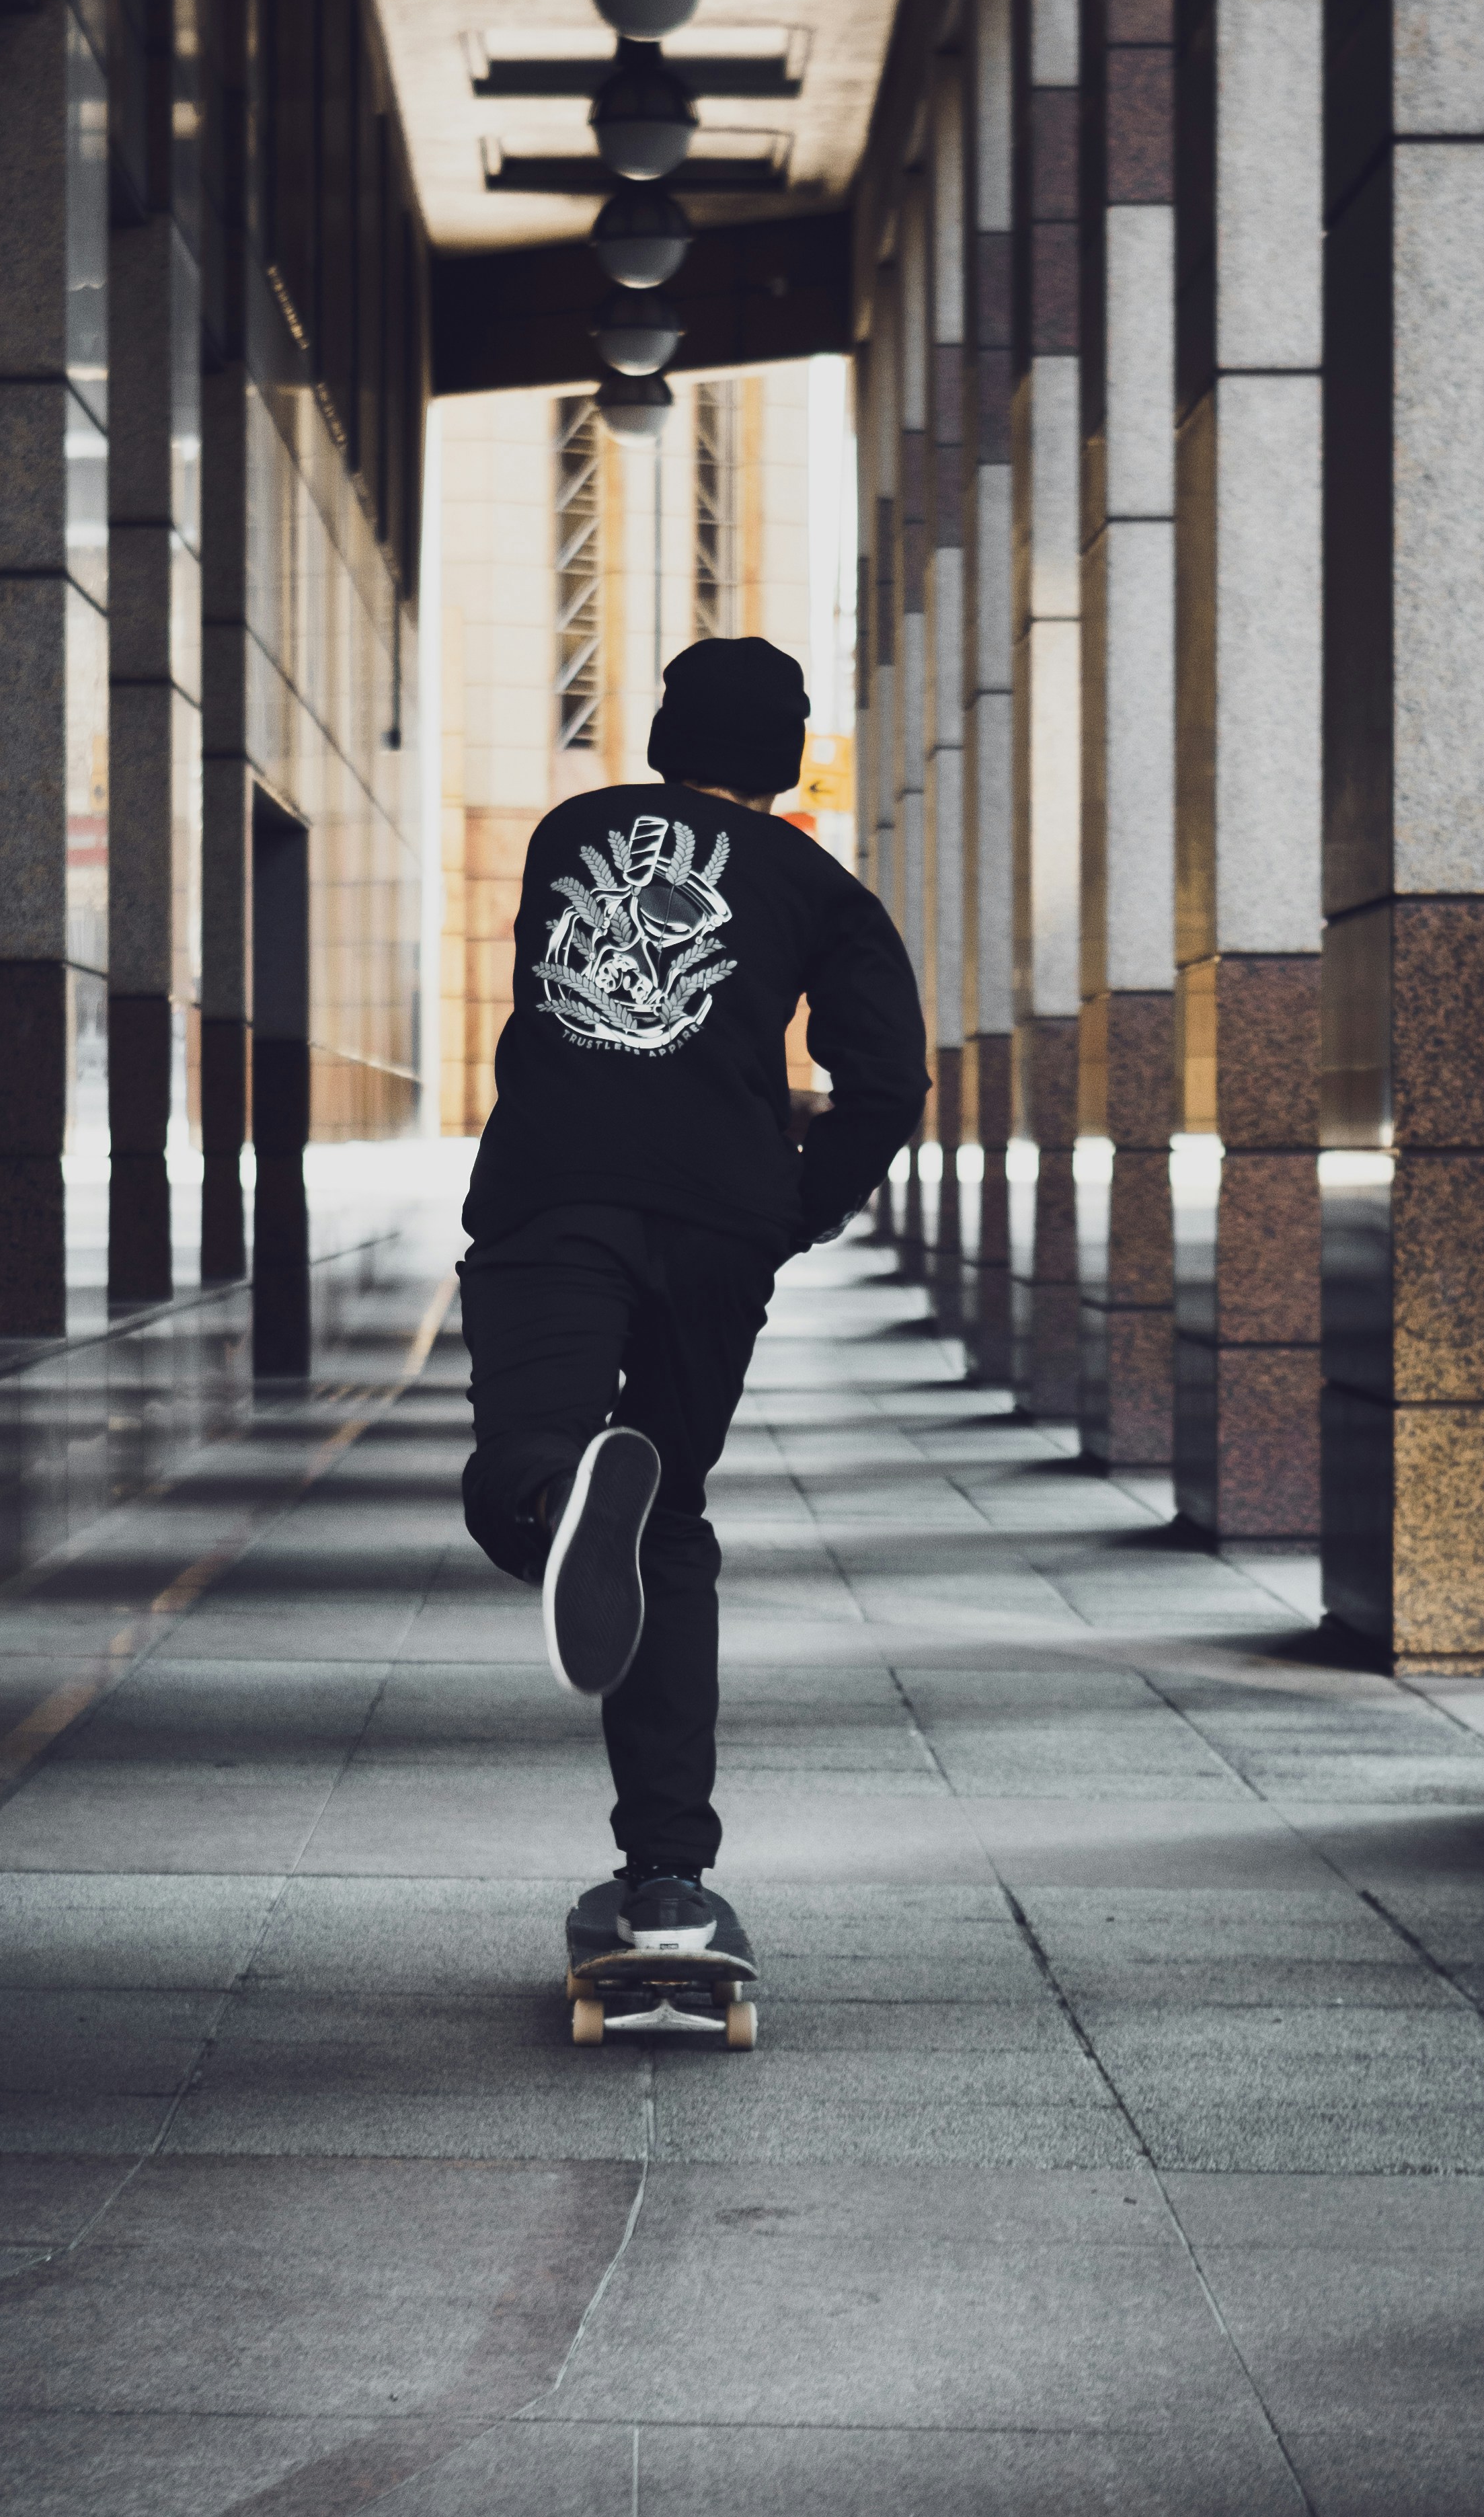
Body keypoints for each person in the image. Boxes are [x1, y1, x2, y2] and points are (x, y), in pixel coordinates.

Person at [457, 631, 928, 1968]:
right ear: (784, 761)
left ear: (667, 737)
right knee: (669, 1523)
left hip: (559, 1189)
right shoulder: (820, 887)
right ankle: (666, 1874)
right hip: (720, 1221)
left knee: (527, 1450)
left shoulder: (572, 833)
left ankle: (557, 1499)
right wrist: (794, 1206)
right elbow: (889, 1081)